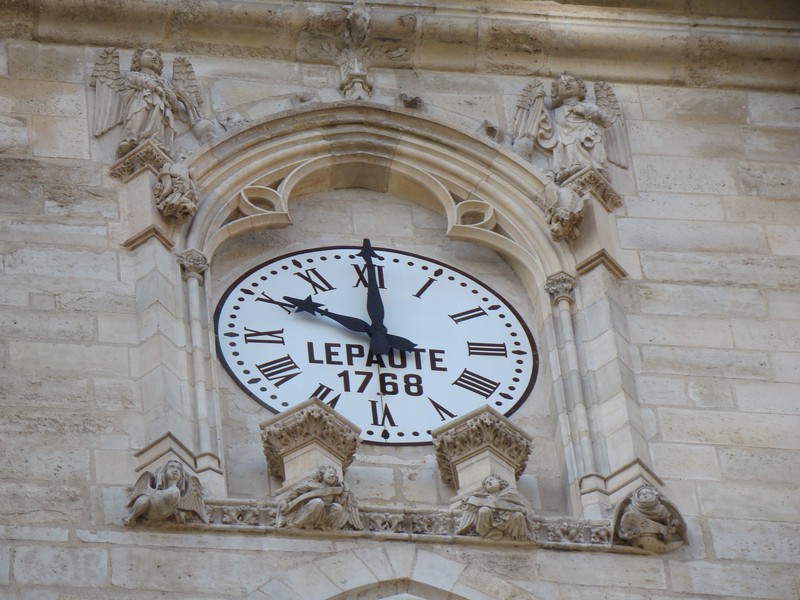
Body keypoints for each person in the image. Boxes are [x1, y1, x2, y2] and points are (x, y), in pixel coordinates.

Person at [538, 72, 610, 182]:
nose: (566, 83)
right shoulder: (555, 113)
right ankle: (569, 168)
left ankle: (597, 169)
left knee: (594, 144)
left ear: (580, 86)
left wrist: (585, 111)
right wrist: (538, 104)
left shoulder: (588, 106)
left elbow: (604, 119)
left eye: (570, 81)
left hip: (588, 136)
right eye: (562, 83)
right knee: (567, 143)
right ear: (556, 92)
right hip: (566, 139)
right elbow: (546, 126)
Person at [118, 47, 179, 157]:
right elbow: (139, 81)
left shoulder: (165, 82)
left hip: (160, 106)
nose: (154, 57)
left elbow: (175, 105)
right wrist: (156, 87)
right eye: (149, 54)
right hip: (140, 102)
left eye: (156, 56)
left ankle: (157, 140)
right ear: (138, 59)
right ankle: (131, 138)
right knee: (138, 115)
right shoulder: (133, 75)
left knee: (158, 119)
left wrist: (169, 94)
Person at [277, 465, 362, 531]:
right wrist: (285, 500)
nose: (332, 475)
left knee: (338, 507)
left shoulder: (334, 491)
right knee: (318, 502)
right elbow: (295, 491)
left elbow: (340, 502)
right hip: (307, 511)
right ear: (322, 473)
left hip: (323, 515)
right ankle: (296, 524)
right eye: (330, 472)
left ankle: (324, 525)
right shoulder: (312, 484)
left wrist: (345, 491)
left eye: (334, 475)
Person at [457, 475, 531, 541]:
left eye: (491, 479)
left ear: (500, 481)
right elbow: (468, 506)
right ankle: (489, 533)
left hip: (508, 522)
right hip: (488, 527)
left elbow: (524, 508)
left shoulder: (511, 492)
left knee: (519, 515)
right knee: (483, 510)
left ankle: (514, 535)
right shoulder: (483, 498)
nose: (489, 483)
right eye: (486, 483)